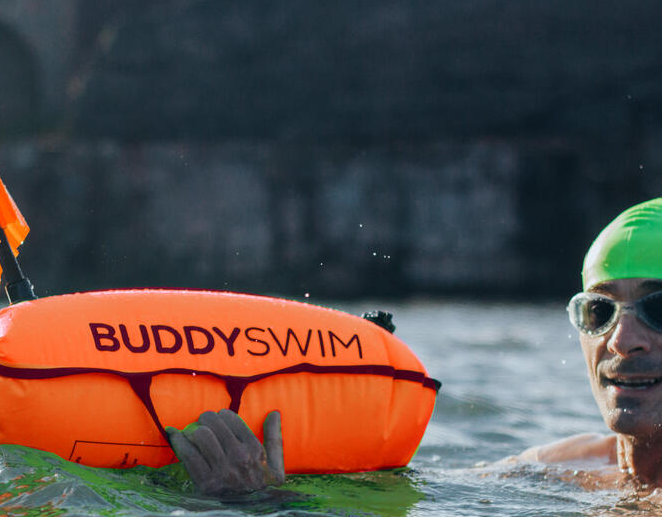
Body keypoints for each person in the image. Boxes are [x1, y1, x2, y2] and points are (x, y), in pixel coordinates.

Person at [167, 198, 662, 495]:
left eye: (657, 311)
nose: (621, 340)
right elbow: (418, 509)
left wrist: (261, 509)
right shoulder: (560, 467)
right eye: (599, 312)